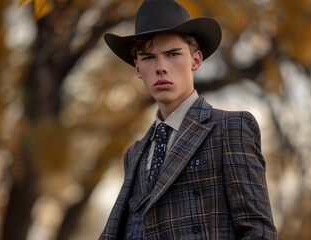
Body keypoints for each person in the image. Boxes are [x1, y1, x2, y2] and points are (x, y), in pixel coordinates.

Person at [100, 0, 277, 239]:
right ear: (138, 67)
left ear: (196, 60)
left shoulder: (231, 129)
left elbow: (258, 232)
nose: (161, 67)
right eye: (149, 58)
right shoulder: (134, 154)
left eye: (172, 54)